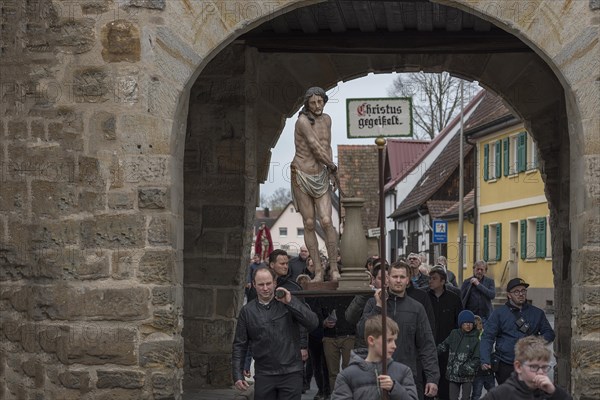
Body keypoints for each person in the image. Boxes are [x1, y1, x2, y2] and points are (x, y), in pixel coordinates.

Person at [232, 267, 319, 400]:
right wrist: (237, 374)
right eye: (261, 285)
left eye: (268, 284)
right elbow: (240, 344)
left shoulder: (288, 303)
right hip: (264, 374)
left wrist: (291, 302)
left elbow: (313, 323)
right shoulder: (247, 311)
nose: (265, 288)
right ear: (254, 285)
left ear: (275, 283)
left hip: (291, 372)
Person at [357, 261, 439, 400]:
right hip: (377, 376)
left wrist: (432, 378)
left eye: (402, 277)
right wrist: (378, 307)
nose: (398, 280)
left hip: (406, 376)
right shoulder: (373, 303)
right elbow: (361, 332)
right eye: (395, 277)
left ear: (408, 280)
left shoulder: (416, 308)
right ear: (388, 278)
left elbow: (427, 344)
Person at [292, 87, 340, 282]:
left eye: (320, 102)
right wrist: (334, 166)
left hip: (321, 173)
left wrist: (330, 172)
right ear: (307, 104)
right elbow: (314, 145)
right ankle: (318, 271)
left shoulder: (327, 119)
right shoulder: (302, 121)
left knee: (327, 221)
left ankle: (334, 268)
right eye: (312, 103)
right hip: (302, 173)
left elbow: (327, 146)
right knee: (310, 223)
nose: (317, 106)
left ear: (324, 101)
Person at [480, 278, 555, 385]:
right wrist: (485, 359)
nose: (521, 294)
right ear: (509, 295)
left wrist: (537, 342)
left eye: (523, 291)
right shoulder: (498, 314)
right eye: (516, 291)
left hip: (530, 363)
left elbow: (549, 333)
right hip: (505, 365)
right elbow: (487, 337)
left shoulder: (537, 313)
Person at [331, 315, 418, 400]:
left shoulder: (403, 371)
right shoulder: (347, 376)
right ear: (371, 340)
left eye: (394, 340)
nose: (394, 346)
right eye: (389, 340)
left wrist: (394, 388)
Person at [481, 336, 571, 400]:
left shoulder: (549, 391)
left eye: (544, 367)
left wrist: (554, 392)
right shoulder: (500, 394)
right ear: (519, 367)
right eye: (534, 367)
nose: (540, 372)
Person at [427, 266, 464, 400]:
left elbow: (459, 323)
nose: (430, 281)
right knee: (428, 381)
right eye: (429, 278)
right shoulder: (425, 297)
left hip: (447, 347)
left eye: (434, 278)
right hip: (428, 346)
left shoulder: (453, 298)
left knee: (445, 384)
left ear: (443, 281)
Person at [437, 310, 481, 400]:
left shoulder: (475, 340)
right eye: (465, 323)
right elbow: (443, 346)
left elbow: (477, 359)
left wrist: (465, 369)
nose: (468, 325)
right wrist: (432, 353)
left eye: (470, 323)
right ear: (461, 323)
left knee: (465, 398)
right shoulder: (454, 334)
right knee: (452, 398)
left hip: (467, 375)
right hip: (453, 374)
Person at [471, 315, 495, 400]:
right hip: (478, 372)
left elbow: (491, 350)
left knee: (492, 392)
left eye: (480, 323)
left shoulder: (486, 335)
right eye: (476, 324)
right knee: (476, 393)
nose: (479, 326)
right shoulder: (472, 337)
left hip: (489, 370)